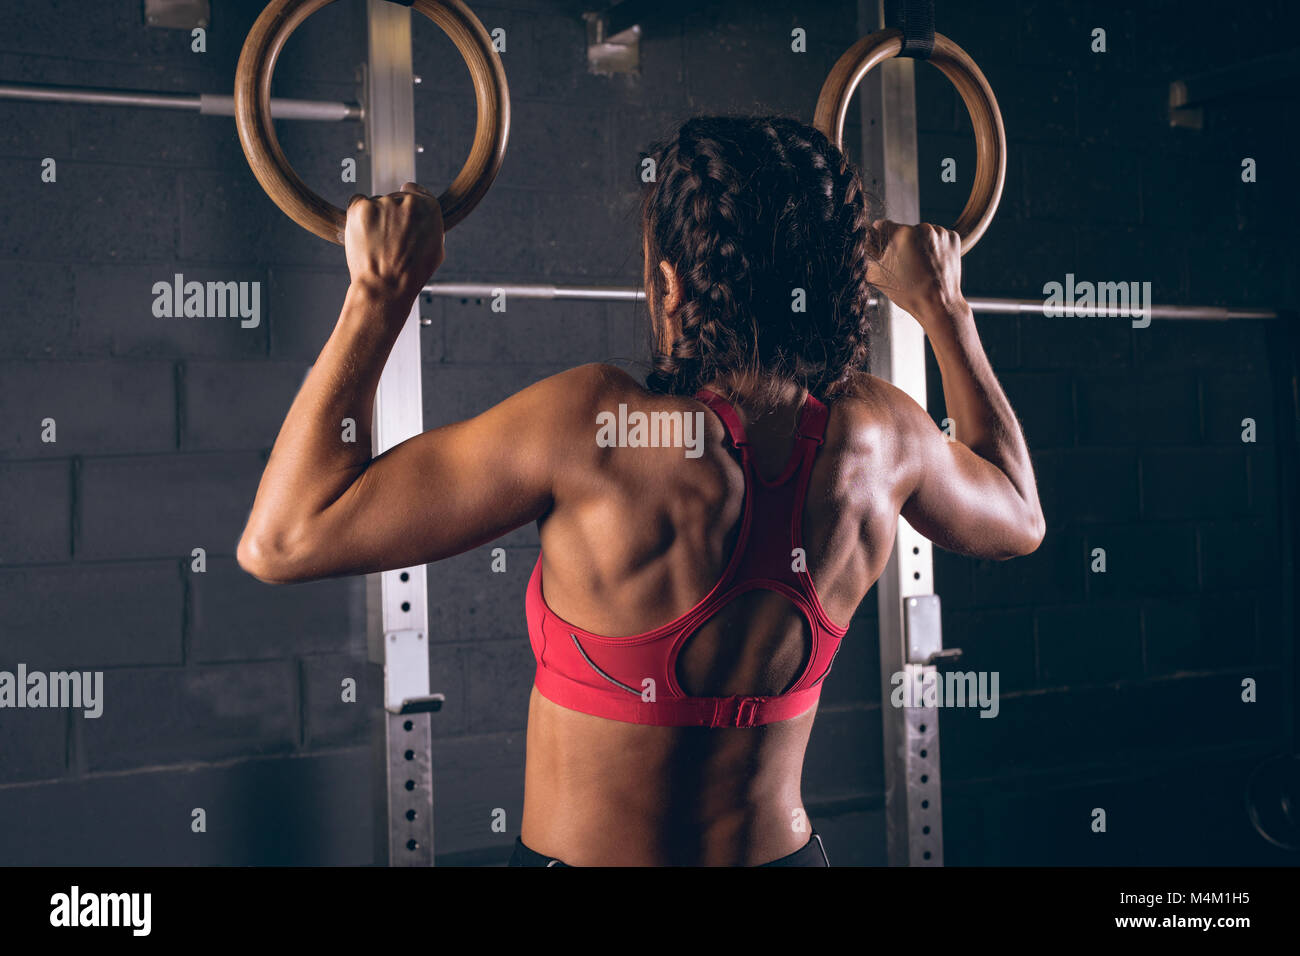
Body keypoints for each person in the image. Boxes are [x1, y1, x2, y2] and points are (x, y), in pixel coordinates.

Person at [237, 116, 1044, 867]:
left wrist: (379, 293)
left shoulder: (595, 428)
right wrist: (944, 306)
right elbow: (1018, 514)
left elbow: (284, 539)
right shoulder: (886, 437)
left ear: (671, 285)